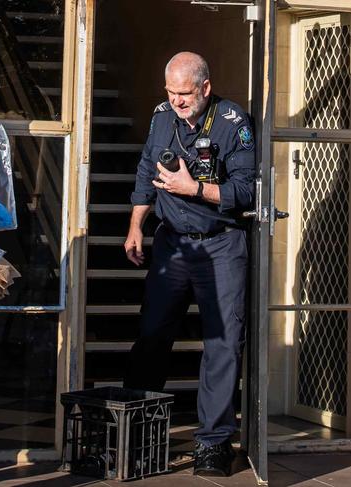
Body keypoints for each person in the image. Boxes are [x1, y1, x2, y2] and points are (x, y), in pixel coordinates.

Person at [123, 52, 255, 477]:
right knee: (151, 336)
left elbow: (247, 192)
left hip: (220, 245)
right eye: (172, 92)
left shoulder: (234, 122)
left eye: (185, 93)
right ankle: (138, 435)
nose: (177, 101)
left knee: (222, 343)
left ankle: (214, 443)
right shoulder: (161, 116)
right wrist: (135, 226)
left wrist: (194, 187)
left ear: (205, 88)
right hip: (172, 246)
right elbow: (146, 171)